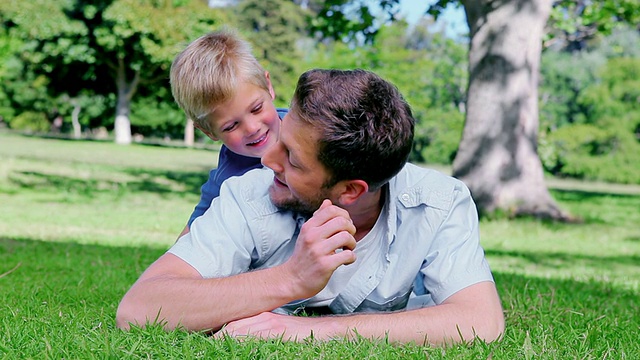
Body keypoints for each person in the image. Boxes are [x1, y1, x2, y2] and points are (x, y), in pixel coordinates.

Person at [117, 69, 505, 346]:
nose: (269, 159)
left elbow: (480, 322)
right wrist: (290, 280)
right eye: (281, 140)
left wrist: (305, 333)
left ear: (350, 191)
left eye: (294, 160)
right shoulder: (248, 194)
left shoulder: (438, 202)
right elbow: (139, 308)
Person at [170, 29, 287, 237]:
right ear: (208, 131)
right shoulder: (227, 175)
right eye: (231, 126)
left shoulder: (312, 128)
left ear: (268, 86)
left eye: (256, 108)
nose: (252, 128)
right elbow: (193, 234)